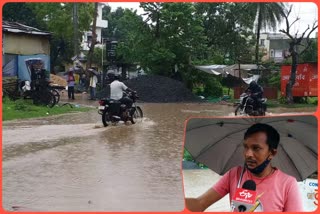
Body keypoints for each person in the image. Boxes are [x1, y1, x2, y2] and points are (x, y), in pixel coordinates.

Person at [185, 123, 303, 212]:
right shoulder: (235, 174)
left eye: (256, 148)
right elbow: (200, 203)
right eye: (246, 147)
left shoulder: (288, 184)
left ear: (272, 153)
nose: (248, 154)